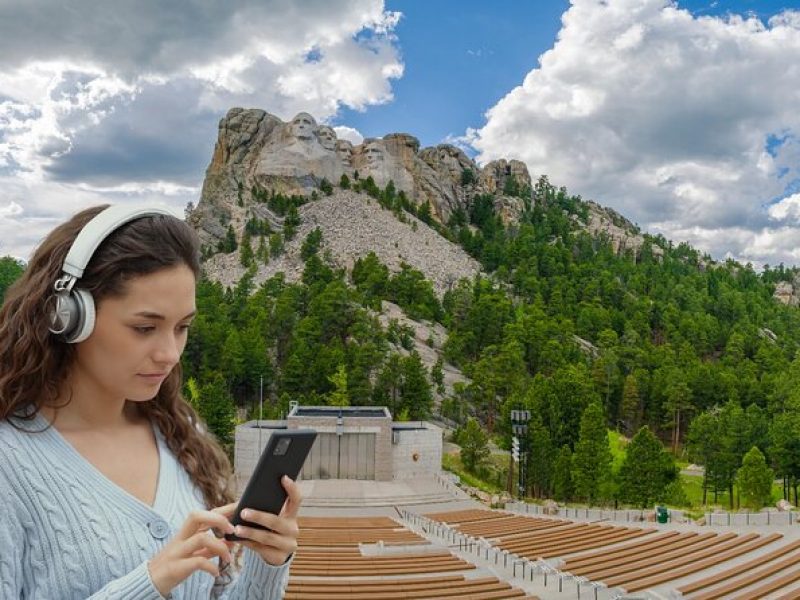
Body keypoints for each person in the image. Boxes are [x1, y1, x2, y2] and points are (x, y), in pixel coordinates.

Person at [0, 204, 300, 599]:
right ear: (68, 316)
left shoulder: (181, 435)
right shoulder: (10, 463)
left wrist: (267, 563)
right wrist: (151, 581)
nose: (170, 354)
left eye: (182, 328)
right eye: (145, 328)